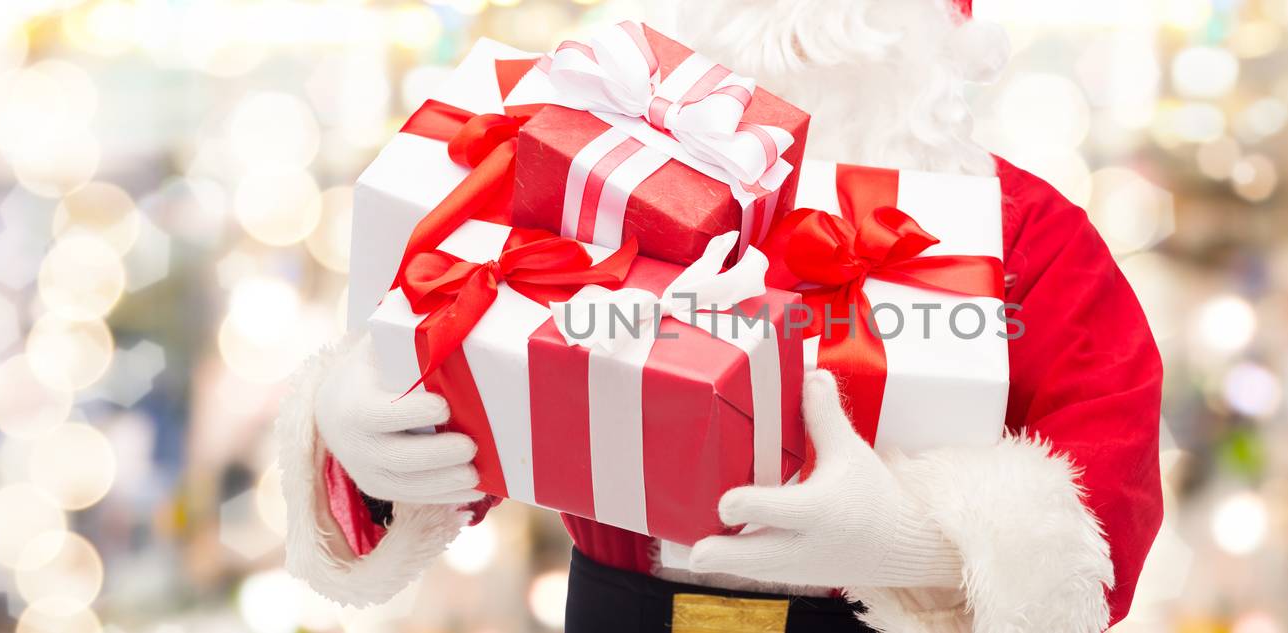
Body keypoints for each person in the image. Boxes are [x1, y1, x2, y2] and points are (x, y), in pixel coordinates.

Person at [276, 0, 1164, 631]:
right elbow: (478, 335)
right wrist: (359, 427)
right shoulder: (600, 172)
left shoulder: (1024, 233)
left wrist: (912, 543)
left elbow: (1106, 497)